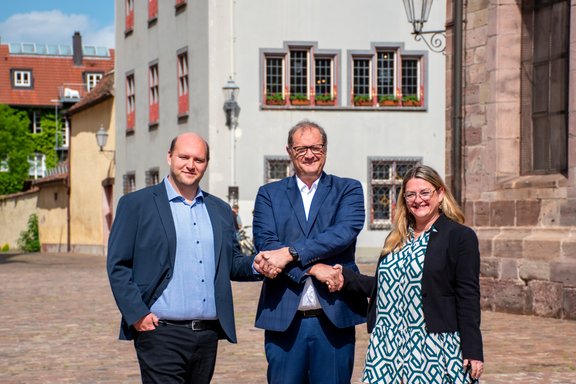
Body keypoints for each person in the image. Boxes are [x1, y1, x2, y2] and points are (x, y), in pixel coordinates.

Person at [107, 132, 265, 384]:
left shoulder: (220, 210)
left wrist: (259, 264)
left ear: (206, 164)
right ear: (169, 157)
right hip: (160, 333)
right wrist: (137, 314)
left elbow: (232, 263)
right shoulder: (136, 204)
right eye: (184, 157)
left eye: (199, 160)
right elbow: (118, 265)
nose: (191, 165)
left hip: (207, 335)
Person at [335, 165, 484, 383]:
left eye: (425, 193)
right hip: (386, 345)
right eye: (411, 194)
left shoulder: (459, 236)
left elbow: (468, 295)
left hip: (432, 345)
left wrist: (473, 350)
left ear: (440, 193)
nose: (418, 200)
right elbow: (386, 287)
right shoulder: (395, 239)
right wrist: (346, 277)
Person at [252, 120, 367, 384]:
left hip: (334, 318)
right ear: (289, 151)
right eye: (301, 148)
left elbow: (342, 234)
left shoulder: (347, 189)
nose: (310, 154)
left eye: (316, 147)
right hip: (284, 318)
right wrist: (315, 268)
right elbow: (267, 244)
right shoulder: (269, 194)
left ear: (325, 150)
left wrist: (290, 251)